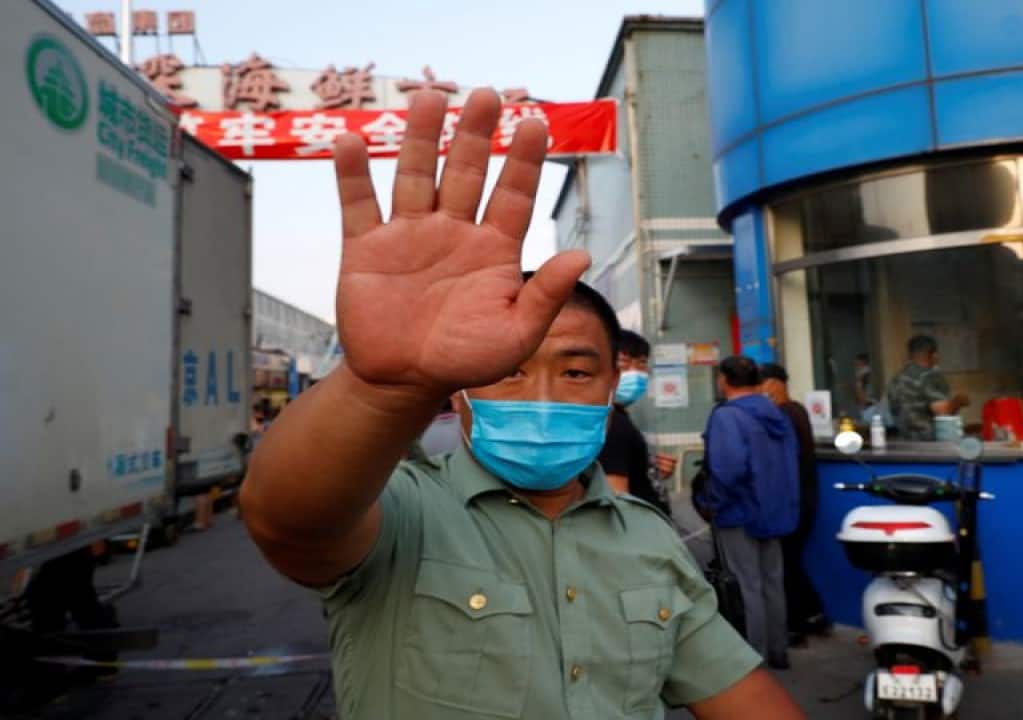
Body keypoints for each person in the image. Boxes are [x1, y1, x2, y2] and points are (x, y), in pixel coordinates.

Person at [238, 89, 802, 720]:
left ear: (612, 386)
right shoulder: (398, 511)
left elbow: (746, 699)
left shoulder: (649, 539)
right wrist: (382, 387)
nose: (542, 398)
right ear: (460, 390)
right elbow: (286, 518)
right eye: (507, 372)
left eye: (576, 370)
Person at [698, 356, 800, 670]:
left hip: (738, 512)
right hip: (775, 511)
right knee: (772, 582)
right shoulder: (777, 414)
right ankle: (778, 650)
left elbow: (727, 469)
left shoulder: (727, 417)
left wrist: (712, 501)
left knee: (746, 586)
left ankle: (754, 657)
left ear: (723, 380)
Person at [759, 362, 831, 645]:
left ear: (776, 383)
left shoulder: (785, 414)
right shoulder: (796, 410)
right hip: (803, 498)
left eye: (762, 384)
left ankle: (801, 621)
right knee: (791, 561)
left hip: (794, 501)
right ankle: (811, 616)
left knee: (786, 563)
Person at [597, 329, 674, 514]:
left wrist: (648, 469)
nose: (635, 373)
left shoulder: (619, 415)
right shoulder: (611, 423)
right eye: (624, 364)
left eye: (641, 364)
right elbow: (617, 503)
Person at [887, 335, 970, 440]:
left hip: (905, 441)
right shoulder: (928, 376)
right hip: (931, 442)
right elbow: (943, 411)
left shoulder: (896, 379)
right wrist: (960, 400)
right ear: (934, 355)